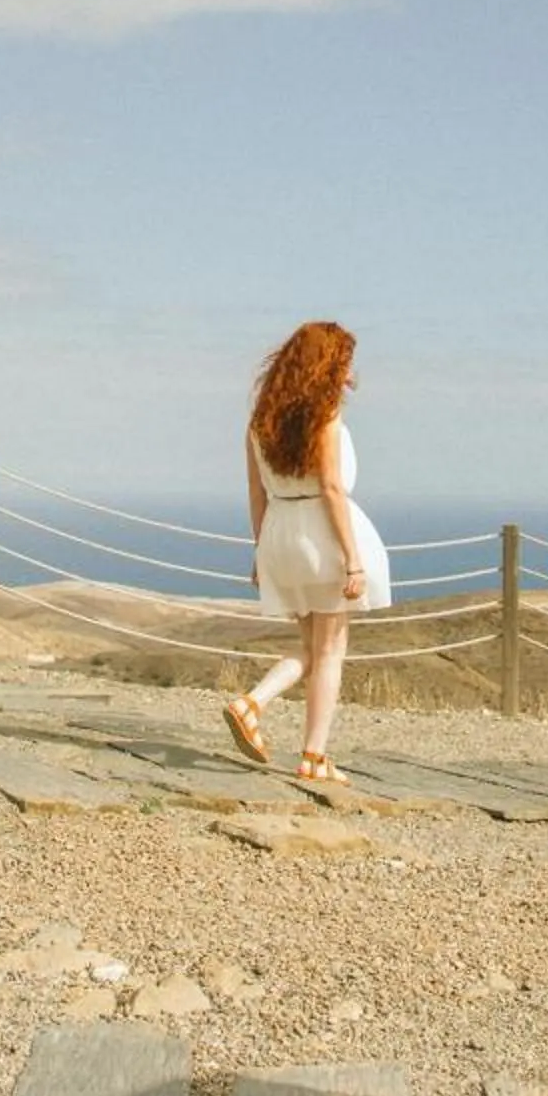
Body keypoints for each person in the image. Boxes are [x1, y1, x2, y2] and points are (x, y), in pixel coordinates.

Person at [223, 319, 390, 783]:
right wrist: (353, 559)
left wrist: (260, 554)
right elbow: (333, 488)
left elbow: (255, 495)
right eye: (344, 363)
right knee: (332, 648)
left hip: (280, 534)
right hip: (322, 535)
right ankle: (311, 754)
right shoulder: (326, 419)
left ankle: (251, 705)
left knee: (311, 648)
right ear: (327, 365)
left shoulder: (259, 424)